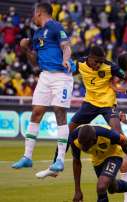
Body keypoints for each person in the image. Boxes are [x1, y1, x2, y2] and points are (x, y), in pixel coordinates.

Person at [36, 46, 127, 178]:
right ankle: (55, 166)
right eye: (96, 62)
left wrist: (120, 88)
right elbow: (66, 74)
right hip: (89, 103)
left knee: (119, 134)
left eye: (101, 62)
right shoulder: (80, 63)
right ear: (90, 58)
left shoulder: (110, 66)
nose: (99, 65)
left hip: (107, 104)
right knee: (67, 132)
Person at [12, 3, 74, 174]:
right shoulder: (37, 34)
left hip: (61, 75)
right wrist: (25, 49)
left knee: (59, 112)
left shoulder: (55, 26)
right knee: (36, 112)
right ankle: (27, 157)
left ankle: (60, 160)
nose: (33, 17)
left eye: (34, 14)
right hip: (45, 75)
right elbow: (34, 63)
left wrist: (66, 59)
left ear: (39, 13)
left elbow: (66, 46)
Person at [70, 124, 127, 202]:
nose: (83, 148)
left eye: (86, 145)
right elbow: (76, 162)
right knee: (112, 188)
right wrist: (77, 190)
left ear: (94, 140)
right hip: (97, 159)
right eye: (81, 144)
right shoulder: (74, 138)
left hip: (113, 154)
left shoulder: (107, 133)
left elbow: (126, 143)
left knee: (101, 186)